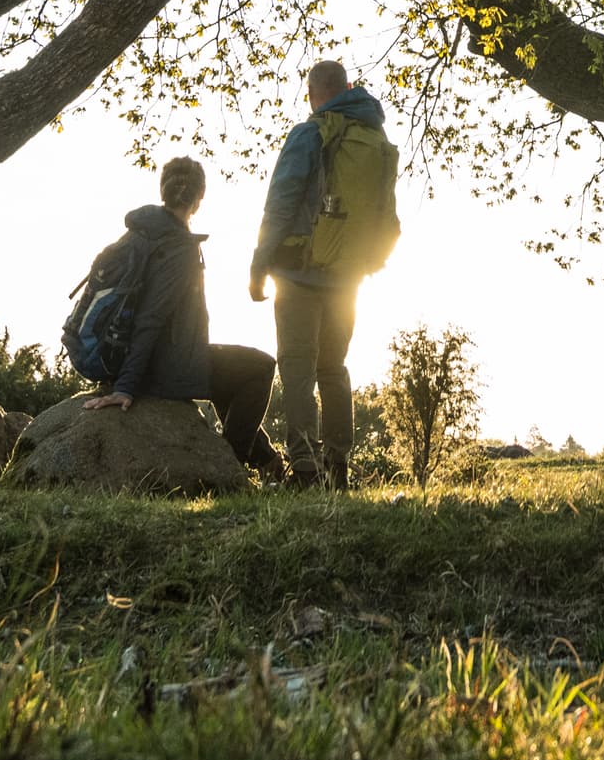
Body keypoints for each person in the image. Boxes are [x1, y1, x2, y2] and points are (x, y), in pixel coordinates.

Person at [78, 154, 286, 481]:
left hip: (149, 358)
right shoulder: (177, 246)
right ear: (199, 199)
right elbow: (151, 318)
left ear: (163, 191)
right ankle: (228, 467)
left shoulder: (140, 233)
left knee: (225, 370)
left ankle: (266, 459)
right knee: (260, 367)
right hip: (162, 368)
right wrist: (126, 388)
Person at [250, 58, 392, 489]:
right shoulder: (374, 139)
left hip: (298, 274)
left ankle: (305, 469)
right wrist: (367, 264)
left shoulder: (310, 132)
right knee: (334, 368)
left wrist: (259, 264)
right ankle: (338, 467)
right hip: (348, 277)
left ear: (312, 92)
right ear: (347, 87)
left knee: (297, 368)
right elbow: (387, 215)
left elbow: (281, 203)